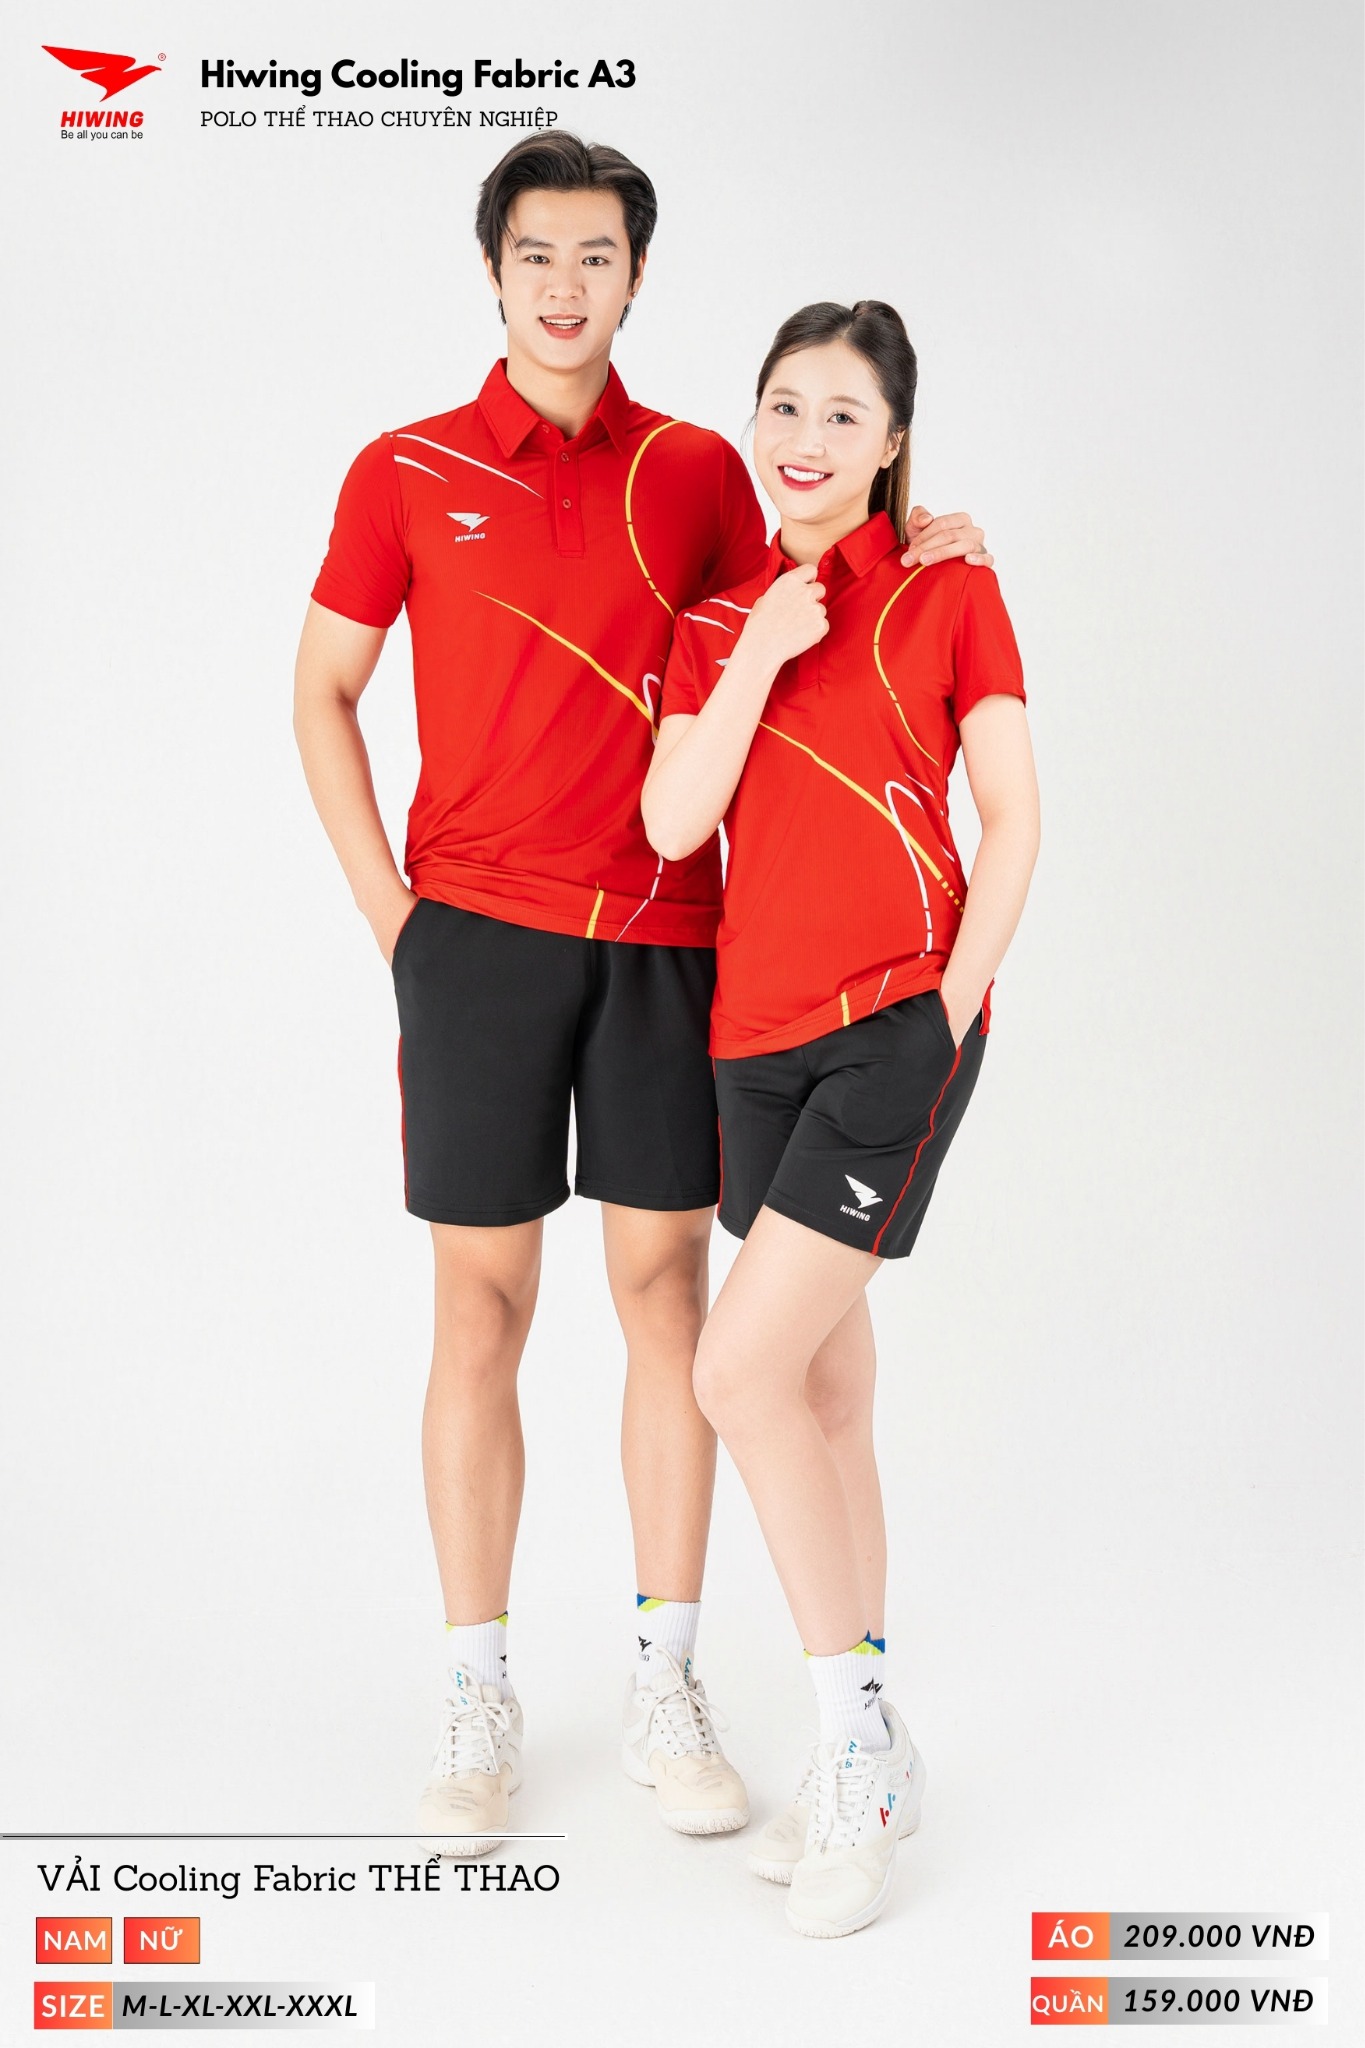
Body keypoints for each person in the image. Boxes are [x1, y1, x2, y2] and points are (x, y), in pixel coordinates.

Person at [293, 133, 994, 1858]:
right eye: (535, 253)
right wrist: (393, 918)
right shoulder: (401, 468)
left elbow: (807, 585)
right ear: (492, 269)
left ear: (635, 276)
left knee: (669, 1308)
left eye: (595, 256)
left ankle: (664, 1684)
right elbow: (320, 691)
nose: (563, 284)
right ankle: (475, 1696)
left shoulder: (695, 469)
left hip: (676, 945)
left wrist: (929, 533)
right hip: (473, 938)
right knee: (479, 1316)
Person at [643, 299, 1039, 1937]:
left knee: (731, 1371)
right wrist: (758, 645)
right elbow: (676, 818)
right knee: (819, 1388)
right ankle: (870, 1740)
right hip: (751, 1045)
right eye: (783, 406)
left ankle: (853, 1756)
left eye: (841, 415)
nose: (803, 439)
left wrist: (948, 1005)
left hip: (893, 1028)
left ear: (889, 446)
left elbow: (1011, 814)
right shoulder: (719, 621)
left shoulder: (950, 588)